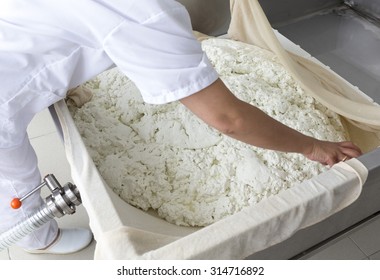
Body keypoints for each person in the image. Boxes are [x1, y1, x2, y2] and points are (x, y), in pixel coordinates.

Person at [0, 0, 361, 255]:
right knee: (16, 178)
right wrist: (313, 147)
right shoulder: (146, 14)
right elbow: (229, 119)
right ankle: (36, 239)